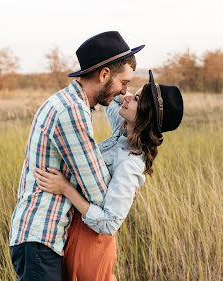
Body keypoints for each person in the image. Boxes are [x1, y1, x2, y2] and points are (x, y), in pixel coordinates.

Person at [8, 31, 145, 281]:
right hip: (41, 238)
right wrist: (125, 188)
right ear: (104, 75)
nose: (124, 92)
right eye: (123, 82)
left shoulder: (71, 102)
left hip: (42, 238)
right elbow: (100, 193)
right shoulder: (72, 113)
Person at [34, 70, 184, 281]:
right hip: (75, 233)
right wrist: (122, 87)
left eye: (137, 98)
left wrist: (65, 188)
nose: (127, 96)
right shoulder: (123, 132)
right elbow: (109, 94)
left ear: (145, 115)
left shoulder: (130, 163)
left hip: (91, 246)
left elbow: (109, 222)